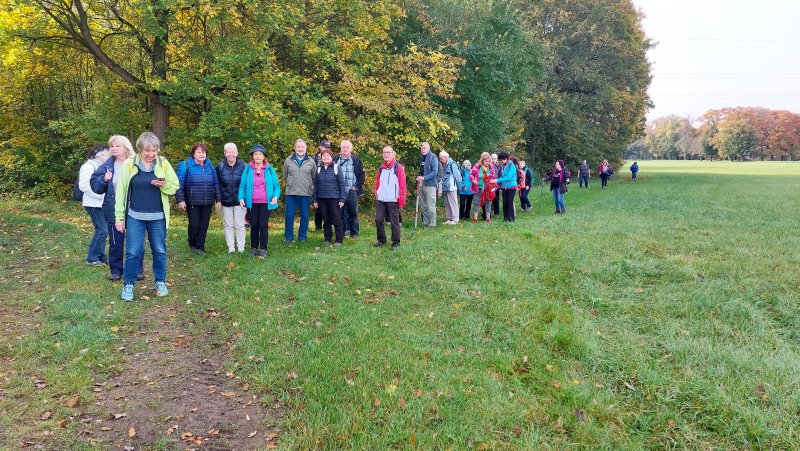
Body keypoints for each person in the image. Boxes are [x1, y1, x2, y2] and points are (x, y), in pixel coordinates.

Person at [115, 132, 179, 301]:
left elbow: (175, 186)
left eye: (154, 151)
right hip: (135, 216)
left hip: (158, 217)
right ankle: (128, 285)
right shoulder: (129, 164)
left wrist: (164, 185)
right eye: (147, 151)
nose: (151, 155)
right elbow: (120, 192)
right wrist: (119, 217)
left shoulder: (163, 163)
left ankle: (160, 282)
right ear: (140, 149)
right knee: (133, 252)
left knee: (159, 250)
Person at [91, 135, 144, 281]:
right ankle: (116, 271)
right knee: (115, 242)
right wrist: (103, 179)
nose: (113, 149)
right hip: (113, 209)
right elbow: (95, 186)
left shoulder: (137, 163)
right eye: (111, 146)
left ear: (126, 148)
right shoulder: (107, 166)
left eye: (117, 146)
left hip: (135, 207)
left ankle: (138, 270)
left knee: (136, 241)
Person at [176, 143, 221, 255]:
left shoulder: (209, 165)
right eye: (199, 152)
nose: (202, 154)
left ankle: (200, 247)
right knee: (194, 225)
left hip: (207, 201)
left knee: (204, 225)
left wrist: (218, 199)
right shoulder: (185, 165)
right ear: (193, 154)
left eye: (204, 152)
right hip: (192, 201)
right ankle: (192, 243)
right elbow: (179, 184)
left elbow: (215, 183)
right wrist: (180, 200)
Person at [239, 145, 280, 258]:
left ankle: (263, 249)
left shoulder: (269, 169)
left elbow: (276, 186)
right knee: (254, 225)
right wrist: (241, 198)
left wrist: (275, 196)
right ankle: (253, 248)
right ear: (252, 156)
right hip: (252, 202)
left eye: (260, 154)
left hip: (266, 203)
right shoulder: (247, 169)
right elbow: (242, 186)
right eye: (255, 154)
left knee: (263, 225)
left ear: (264, 156)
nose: (258, 156)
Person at [79, 144, 110, 266]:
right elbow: (84, 186)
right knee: (102, 230)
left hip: (101, 204)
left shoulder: (100, 166)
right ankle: (92, 258)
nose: (108, 156)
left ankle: (100, 255)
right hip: (93, 204)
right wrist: (100, 196)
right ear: (99, 155)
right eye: (106, 154)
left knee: (104, 230)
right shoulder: (88, 167)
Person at [283, 139, 316, 243]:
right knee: (289, 216)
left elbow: (314, 177)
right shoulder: (288, 160)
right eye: (298, 147)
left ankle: (302, 237)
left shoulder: (311, 161)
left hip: (305, 193)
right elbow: (285, 176)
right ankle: (288, 238)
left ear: (306, 148)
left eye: (302, 147)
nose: (300, 149)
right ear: (295, 148)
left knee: (305, 217)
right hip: (291, 193)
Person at [374, 146, 407, 248]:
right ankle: (381, 239)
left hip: (393, 199)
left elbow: (402, 185)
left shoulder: (398, 168)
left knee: (394, 222)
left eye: (388, 152)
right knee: (378, 219)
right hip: (382, 199)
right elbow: (378, 182)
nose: (386, 154)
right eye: (384, 152)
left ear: (393, 154)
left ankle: (396, 242)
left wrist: (401, 200)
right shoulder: (381, 168)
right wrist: (376, 192)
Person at [217, 142, 247, 253]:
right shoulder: (220, 166)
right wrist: (218, 199)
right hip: (225, 201)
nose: (231, 154)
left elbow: (247, 185)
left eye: (233, 152)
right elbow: (217, 185)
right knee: (228, 225)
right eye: (228, 152)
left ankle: (241, 248)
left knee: (239, 224)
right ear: (225, 154)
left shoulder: (244, 166)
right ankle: (231, 247)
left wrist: (245, 198)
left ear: (237, 153)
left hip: (240, 201)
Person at [313, 148, 346, 247]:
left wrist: (342, 199)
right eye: (324, 156)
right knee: (326, 220)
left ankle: (339, 240)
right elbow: (316, 185)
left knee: (337, 219)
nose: (326, 157)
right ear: (321, 158)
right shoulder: (318, 169)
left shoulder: (336, 167)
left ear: (331, 157)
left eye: (328, 156)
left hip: (334, 198)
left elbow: (341, 184)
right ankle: (327, 238)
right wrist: (314, 199)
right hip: (322, 199)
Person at [336, 140, 365, 238]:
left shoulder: (356, 160)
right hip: (339, 192)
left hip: (351, 191)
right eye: (343, 147)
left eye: (347, 147)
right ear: (340, 148)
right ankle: (343, 231)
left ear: (351, 149)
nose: (345, 149)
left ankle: (354, 233)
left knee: (353, 213)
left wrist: (356, 187)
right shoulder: (335, 159)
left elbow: (361, 175)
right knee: (340, 213)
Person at [415, 142, 439, 227]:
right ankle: (425, 222)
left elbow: (435, 172)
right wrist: (418, 183)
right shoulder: (422, 158)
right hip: (421, 184)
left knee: (430, 205)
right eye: (421, 148)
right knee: (423, 205)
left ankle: (432, 224)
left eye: (424, 148)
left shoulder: (433, 157)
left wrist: (424, 178)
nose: (423, 149)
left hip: (430, 185)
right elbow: (421, 171)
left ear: (429, 148)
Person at [469, 152, 497, 223]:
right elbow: (471, 175)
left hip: (488, 187)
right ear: (482, 161)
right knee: (476, 202)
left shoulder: (491, 167)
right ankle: (475, 218)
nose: (487, 163)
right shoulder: (477, 166)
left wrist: (491, 176)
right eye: (485, 161)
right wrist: (474, 180)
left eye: (488, 161)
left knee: (488, 202)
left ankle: (488, 218)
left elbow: (494, 176)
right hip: (478, 187)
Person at [312, 140, 334, 232]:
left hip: (328, 184)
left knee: (328, 208)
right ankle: (318, 226)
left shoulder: (330, 156)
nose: (326, 149)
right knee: (317, 207)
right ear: (320, 147)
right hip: (316, 182)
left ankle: (328, 224)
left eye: (328, 147)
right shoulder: (314, 157)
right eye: (325, 147)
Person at [438, 151, 462, 224]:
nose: (440, 160)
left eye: (441, 158)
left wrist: (459, 186)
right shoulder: (444, 165)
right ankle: (449, 218)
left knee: (453, 203)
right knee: (447, 203)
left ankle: (455, 219)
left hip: (452, 187)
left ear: (446, 157)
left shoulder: (452, 164)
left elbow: (458, 176)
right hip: (445, 187)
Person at [495, 152, 518, 222]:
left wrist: (497, 180)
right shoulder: (503, 166)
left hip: (512, 187)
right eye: (500, 160)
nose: (501, 161)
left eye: (502, 160)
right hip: (504, 187)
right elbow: (503, 176)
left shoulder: (512, 166)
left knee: (510, 203)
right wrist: (499, 184)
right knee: (504, 203)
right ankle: (505, 218)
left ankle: (512, 218)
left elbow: (508, 177)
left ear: (506, 158)